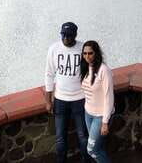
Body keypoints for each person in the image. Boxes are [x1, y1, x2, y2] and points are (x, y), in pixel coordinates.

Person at [45, 21, 90, 163]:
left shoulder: (83, 49)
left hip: (80, 99)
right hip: (60, 100)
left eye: (69, 35)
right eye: (63, 35)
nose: (65, 38)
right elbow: (49, 74)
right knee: (60, 137)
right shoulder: (54, 49)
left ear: (75, 35)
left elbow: (93, 71)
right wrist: (48, 100)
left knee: (83, 136)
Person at [80, 40, 114, 163]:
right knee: (98, 147)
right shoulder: (85, 68)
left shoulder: (104, 70)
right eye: (84, 53)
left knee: (92, 150)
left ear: (96, 53)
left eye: (90, 53)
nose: (87, 56)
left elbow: (109, 97)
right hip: (88, 113)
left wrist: (105, 122)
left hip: (101, 116)